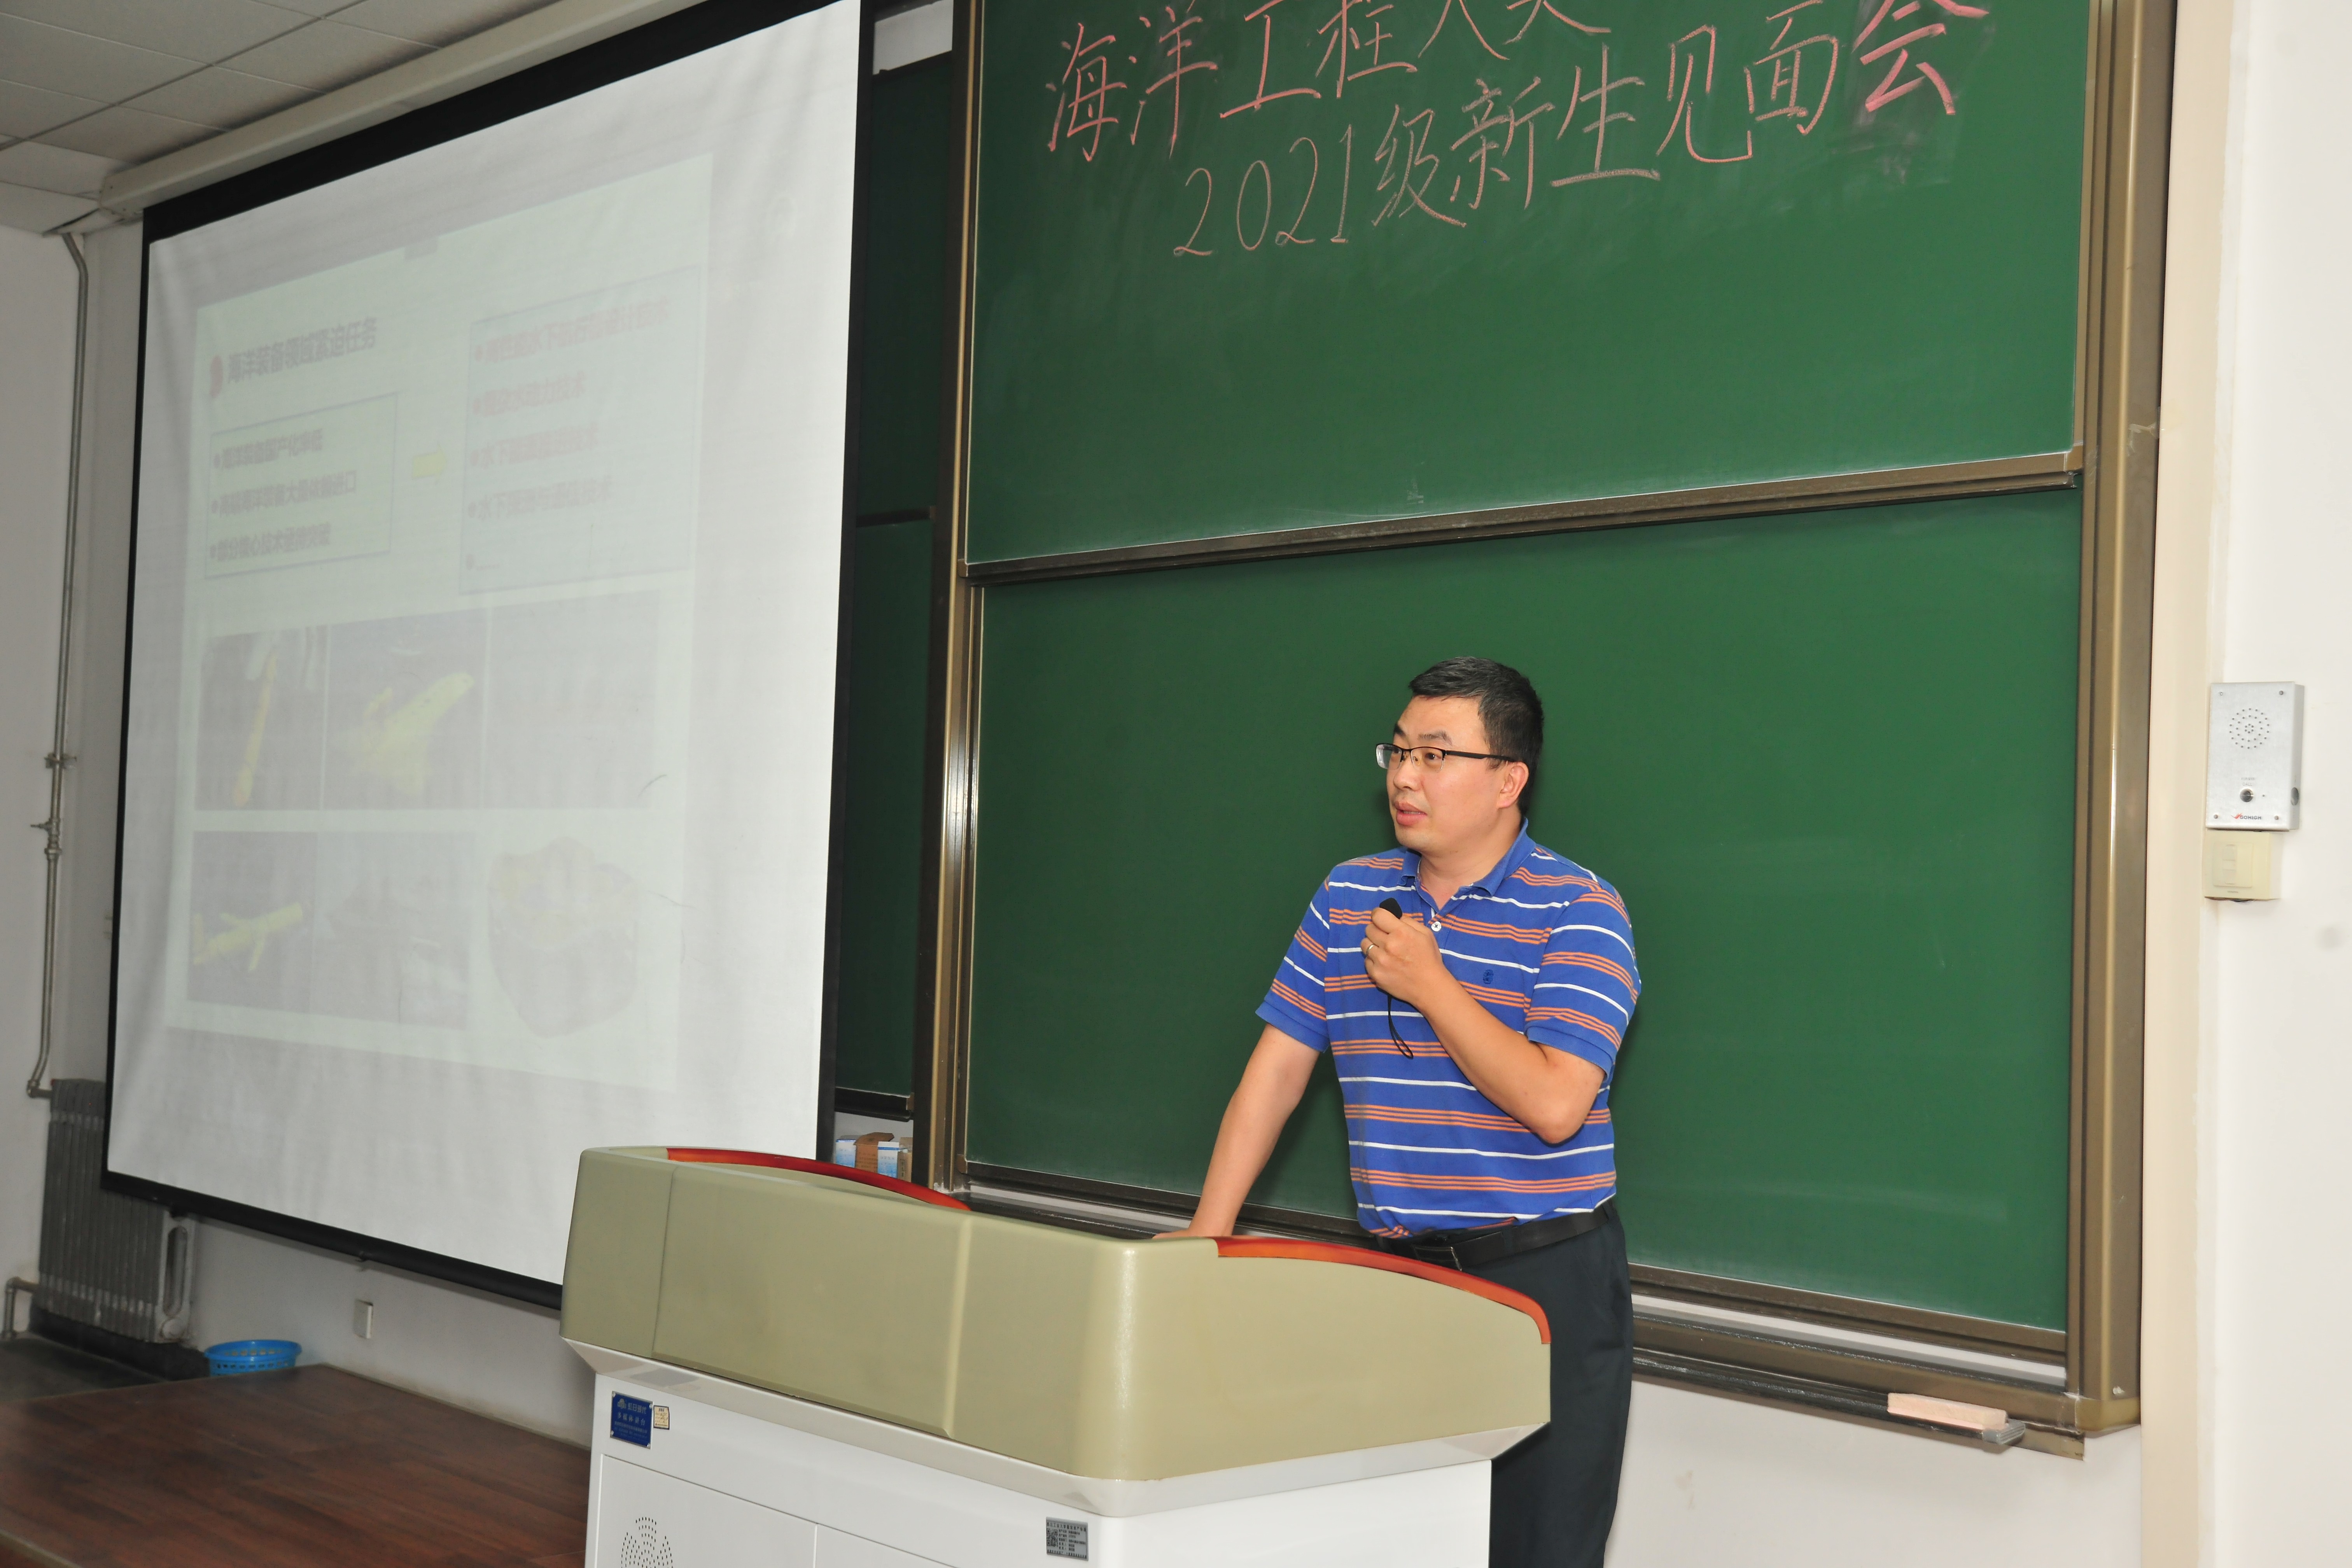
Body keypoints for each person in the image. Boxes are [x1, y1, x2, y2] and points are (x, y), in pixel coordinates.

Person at [1164, 656, 1638, 1568]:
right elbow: (1277, 1073)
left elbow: (1554, 1104)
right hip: (1397, 1281)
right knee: (1399, 1543)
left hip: (1543, 1283)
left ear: (1508, 780)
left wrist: (1432, 984)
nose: (1406, 777)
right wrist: (1205, 1236)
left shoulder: (1580, 910)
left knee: (1535, 1550)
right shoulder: (1350, 895)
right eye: (1399, 751)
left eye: (1437, 755)